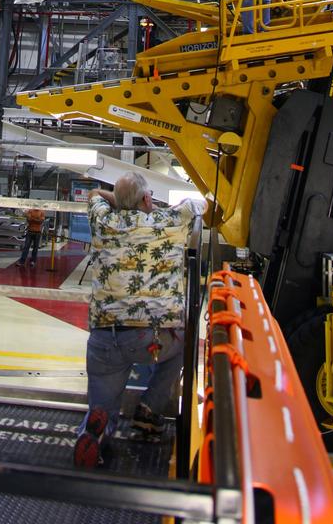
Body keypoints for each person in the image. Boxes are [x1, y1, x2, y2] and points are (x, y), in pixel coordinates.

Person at [73, 172, 205, 469]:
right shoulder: (171, 221)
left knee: (103, 404)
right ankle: (149, 409)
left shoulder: (103, 220)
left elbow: (94, 194)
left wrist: (120, 202)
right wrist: (151, 205)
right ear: (147, 198)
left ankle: (94, 432)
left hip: (106, 337)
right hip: (155, 338)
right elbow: (200, 204)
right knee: (187, 341)